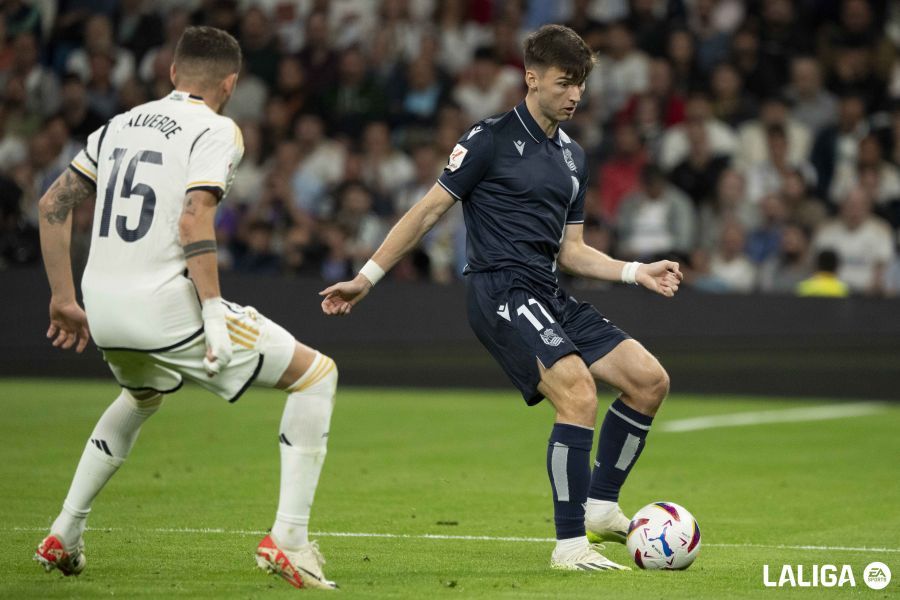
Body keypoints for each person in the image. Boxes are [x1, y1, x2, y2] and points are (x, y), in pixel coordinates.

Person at [320, 24, 682, 572]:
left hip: (547, 291)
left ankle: (601, 506)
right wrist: (366, 278)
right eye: (564, 83)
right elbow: (427, 211)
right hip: (500, 291)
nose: (575, 95)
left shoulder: (573, 158)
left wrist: (635, 271)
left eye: (581, 84)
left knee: (649, 380)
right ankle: (569, 545)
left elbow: (573, 252)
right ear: (532, 79)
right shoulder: (487, 138)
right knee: (578, 394)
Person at [32, 27, 338, 590]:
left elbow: (53, 204)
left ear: (172, 72)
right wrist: (214, 315)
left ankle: (65, 531)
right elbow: (194, 218)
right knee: (317, 376)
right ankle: (290, 540)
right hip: (164, 308)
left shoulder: (118, 124)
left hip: (102, 308)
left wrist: (62, 298)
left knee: (140, 396)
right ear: (230, 83)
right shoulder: (217, 129)